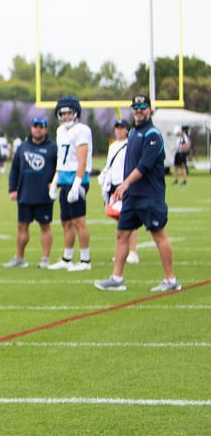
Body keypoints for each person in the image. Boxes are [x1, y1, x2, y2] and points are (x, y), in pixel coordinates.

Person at [95, 96, 182, 292]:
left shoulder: (152, 134)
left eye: (143, 107)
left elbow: (144, 165)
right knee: (122, 234)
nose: (139, 110)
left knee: (159, 235)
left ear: (150, 110)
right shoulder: (133, 131)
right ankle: (117, 278)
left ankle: (171, 279)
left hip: (149, 194)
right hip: (133, 196)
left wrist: (125, 184)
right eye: (136, 107)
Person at [47, 95, 93, 271]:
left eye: (68, 113)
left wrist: (77, 183)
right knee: (65, 221)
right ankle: (67, 258)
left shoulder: (81, 130)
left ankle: (85, 260)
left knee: (79, 221)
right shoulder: (61, 131)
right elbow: (61, 159)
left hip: (77, 178)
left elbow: (81, 160)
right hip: (64, 178)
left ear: (75, 113)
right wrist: (55, 180)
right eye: (62, 113)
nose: (65, 116)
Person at [3, 116, 56, 268]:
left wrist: (54, 183)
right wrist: (12, 189)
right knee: (22, 226)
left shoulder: (53, 148)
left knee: (45, 226)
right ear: (31, 128)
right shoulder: (22, 147)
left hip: (44, 195)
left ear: (45, 129)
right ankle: (19, 257)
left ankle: (45, 258)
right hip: (25, 194)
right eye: (35, 126)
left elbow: (59, 168)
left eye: (41, 126)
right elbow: (14, 170)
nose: (38, 129)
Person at [99, 119, 139, 265]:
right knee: (119, 219)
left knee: (128, 218)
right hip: (113, 185)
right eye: (117, 128)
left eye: (122, 128)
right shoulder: (113, 146)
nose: (119, 130)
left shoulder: (131, 145)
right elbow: (110, 165)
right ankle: (123, 251)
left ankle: (133, 251)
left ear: (127, 130)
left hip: (125, 184)